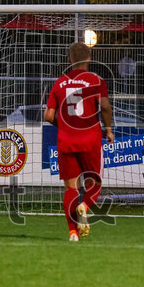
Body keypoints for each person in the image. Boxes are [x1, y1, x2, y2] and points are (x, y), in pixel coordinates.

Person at [44, 42, 115, 241]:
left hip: (66, 140)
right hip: (89, 139)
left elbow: (48, 115)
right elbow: (105, 108)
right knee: (94, 183)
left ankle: (73, 232)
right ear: (89, 59)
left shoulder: (59, 82)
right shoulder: (95, 80)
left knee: (70, 188)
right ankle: (84, 206)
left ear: (70, 60)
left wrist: (65, 125)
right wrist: (108, 129)